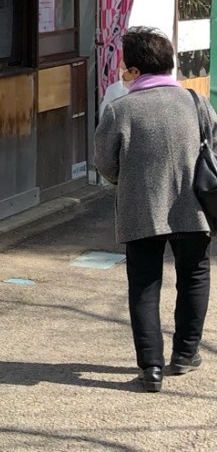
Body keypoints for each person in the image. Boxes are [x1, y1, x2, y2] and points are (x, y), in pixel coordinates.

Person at [94, 26, 217, 393]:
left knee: (145, 285)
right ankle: (185, 354)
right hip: (194, 207)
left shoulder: (120, 110)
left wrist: (127, 181)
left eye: (124, 68)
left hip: (140, 209)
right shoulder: (197, 103)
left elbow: (105, 163)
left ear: (134, 71)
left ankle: (151, 368)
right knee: (194, 276)